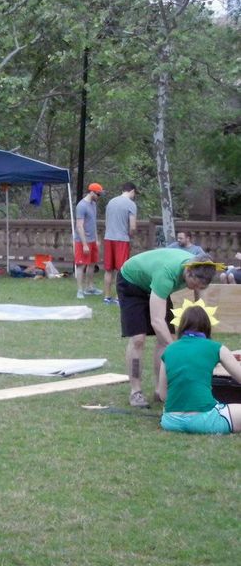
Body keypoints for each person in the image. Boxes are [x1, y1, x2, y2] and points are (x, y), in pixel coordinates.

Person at [117, 248, 217, 409]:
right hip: (131, 283)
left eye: (200, 286)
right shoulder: (166, 275)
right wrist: (178, 350)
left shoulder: (200, 267)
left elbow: (200, 307)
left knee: (168, 336)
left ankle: (159, 389)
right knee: (138, 339)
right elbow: (157, 322)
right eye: (194, 284)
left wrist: (203, 336)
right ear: (188, 271)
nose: (194, 288)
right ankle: (136, 391)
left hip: (155, 286)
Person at [158, 302, 241, 433]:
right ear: (207, 326)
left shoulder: (168, 351)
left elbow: (163, 395)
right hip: (205, 419)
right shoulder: (216, 348)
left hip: (170, 420)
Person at [102, 182, 138, 304]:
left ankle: (107, 296)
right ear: (132, 191)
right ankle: (118, 297)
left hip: (108, 237)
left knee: (108, 269)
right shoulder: (131, 204)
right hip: (122, 239)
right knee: (121, 270)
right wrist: (131, 235)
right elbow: (132, 227)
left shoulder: (111, 202)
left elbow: (106, 221)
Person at [73, 183, 103, 298]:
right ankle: (80, 290)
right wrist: (84, 244)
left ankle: (89, 287)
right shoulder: (81, 206)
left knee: (92, 264)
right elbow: (79, 226)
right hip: (82, 241)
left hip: (92, 240)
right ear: (91, 192)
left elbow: (93, 223)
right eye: (98, 194)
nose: (98, 196)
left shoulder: (93, 204)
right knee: (81, 265)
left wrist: (96, 239)